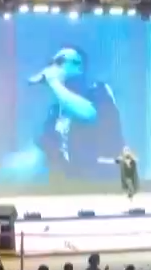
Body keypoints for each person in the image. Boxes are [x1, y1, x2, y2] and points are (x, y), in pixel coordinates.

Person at [14, 47, 124, 182]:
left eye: (60, 62)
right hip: (69, 180)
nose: (53, 67)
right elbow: (46, 146)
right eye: (51, 63)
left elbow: (89, 114)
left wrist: (53, 82)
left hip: (100, 179)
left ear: (79, 66)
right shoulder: (56, 109)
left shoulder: (98, 90)